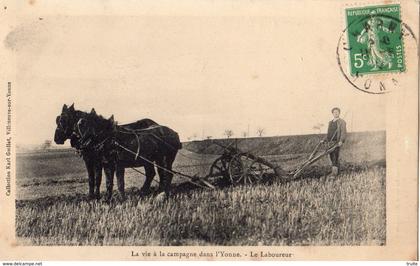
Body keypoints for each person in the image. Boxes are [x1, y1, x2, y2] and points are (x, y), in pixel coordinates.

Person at [321, 107, 347, 176]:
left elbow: (343, 132)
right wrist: (324, 140)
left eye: (337, 112)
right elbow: (328, 133)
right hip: (330, 142)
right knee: (331, 156)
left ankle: (334, 173)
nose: (336, 113)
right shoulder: (330, 122)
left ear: (339, 113)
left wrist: (341, 141)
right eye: (334, 112)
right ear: (332, 113)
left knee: (335, 156)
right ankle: (336, 171)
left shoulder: (342, 122)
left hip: (336, 142)